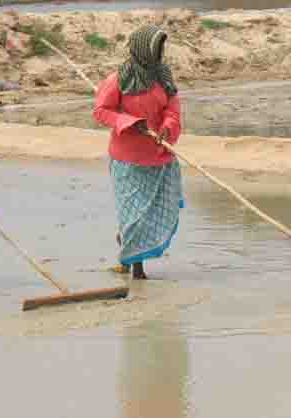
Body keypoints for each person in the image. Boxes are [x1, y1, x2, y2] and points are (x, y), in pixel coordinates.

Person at [93, 25, 183, 280]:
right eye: (156, 47)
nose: (160, 53)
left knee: (150, 213)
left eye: (161, 48)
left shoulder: (163, 76)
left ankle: (130, 255)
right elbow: (101, 111)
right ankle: (137, 268)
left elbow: (173, 108)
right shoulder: (118, 80)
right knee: (134, 217)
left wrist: (167, 127)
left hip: (159, 156)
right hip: (128, 161)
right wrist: (130, 122)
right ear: (144, 49)